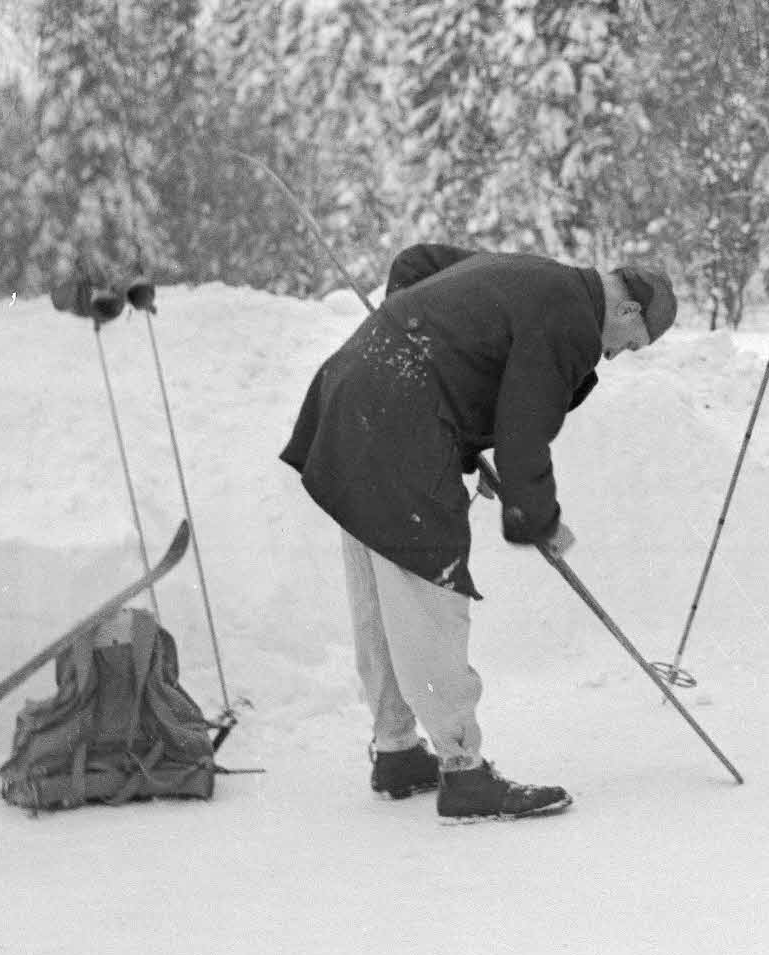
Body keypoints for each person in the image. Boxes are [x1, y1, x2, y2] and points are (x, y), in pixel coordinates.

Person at [280, 242, 678, 821]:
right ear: (627, 310)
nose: (614, 356)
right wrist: (538, 518)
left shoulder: (532, 273)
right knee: (428, 594)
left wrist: (422, 352)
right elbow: (524, 429)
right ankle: (463, 772)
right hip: (401, 427)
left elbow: (416, 263)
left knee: (381, 591)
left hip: (356, 397)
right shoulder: (572, 319)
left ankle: (396, 750)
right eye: (631, 345)